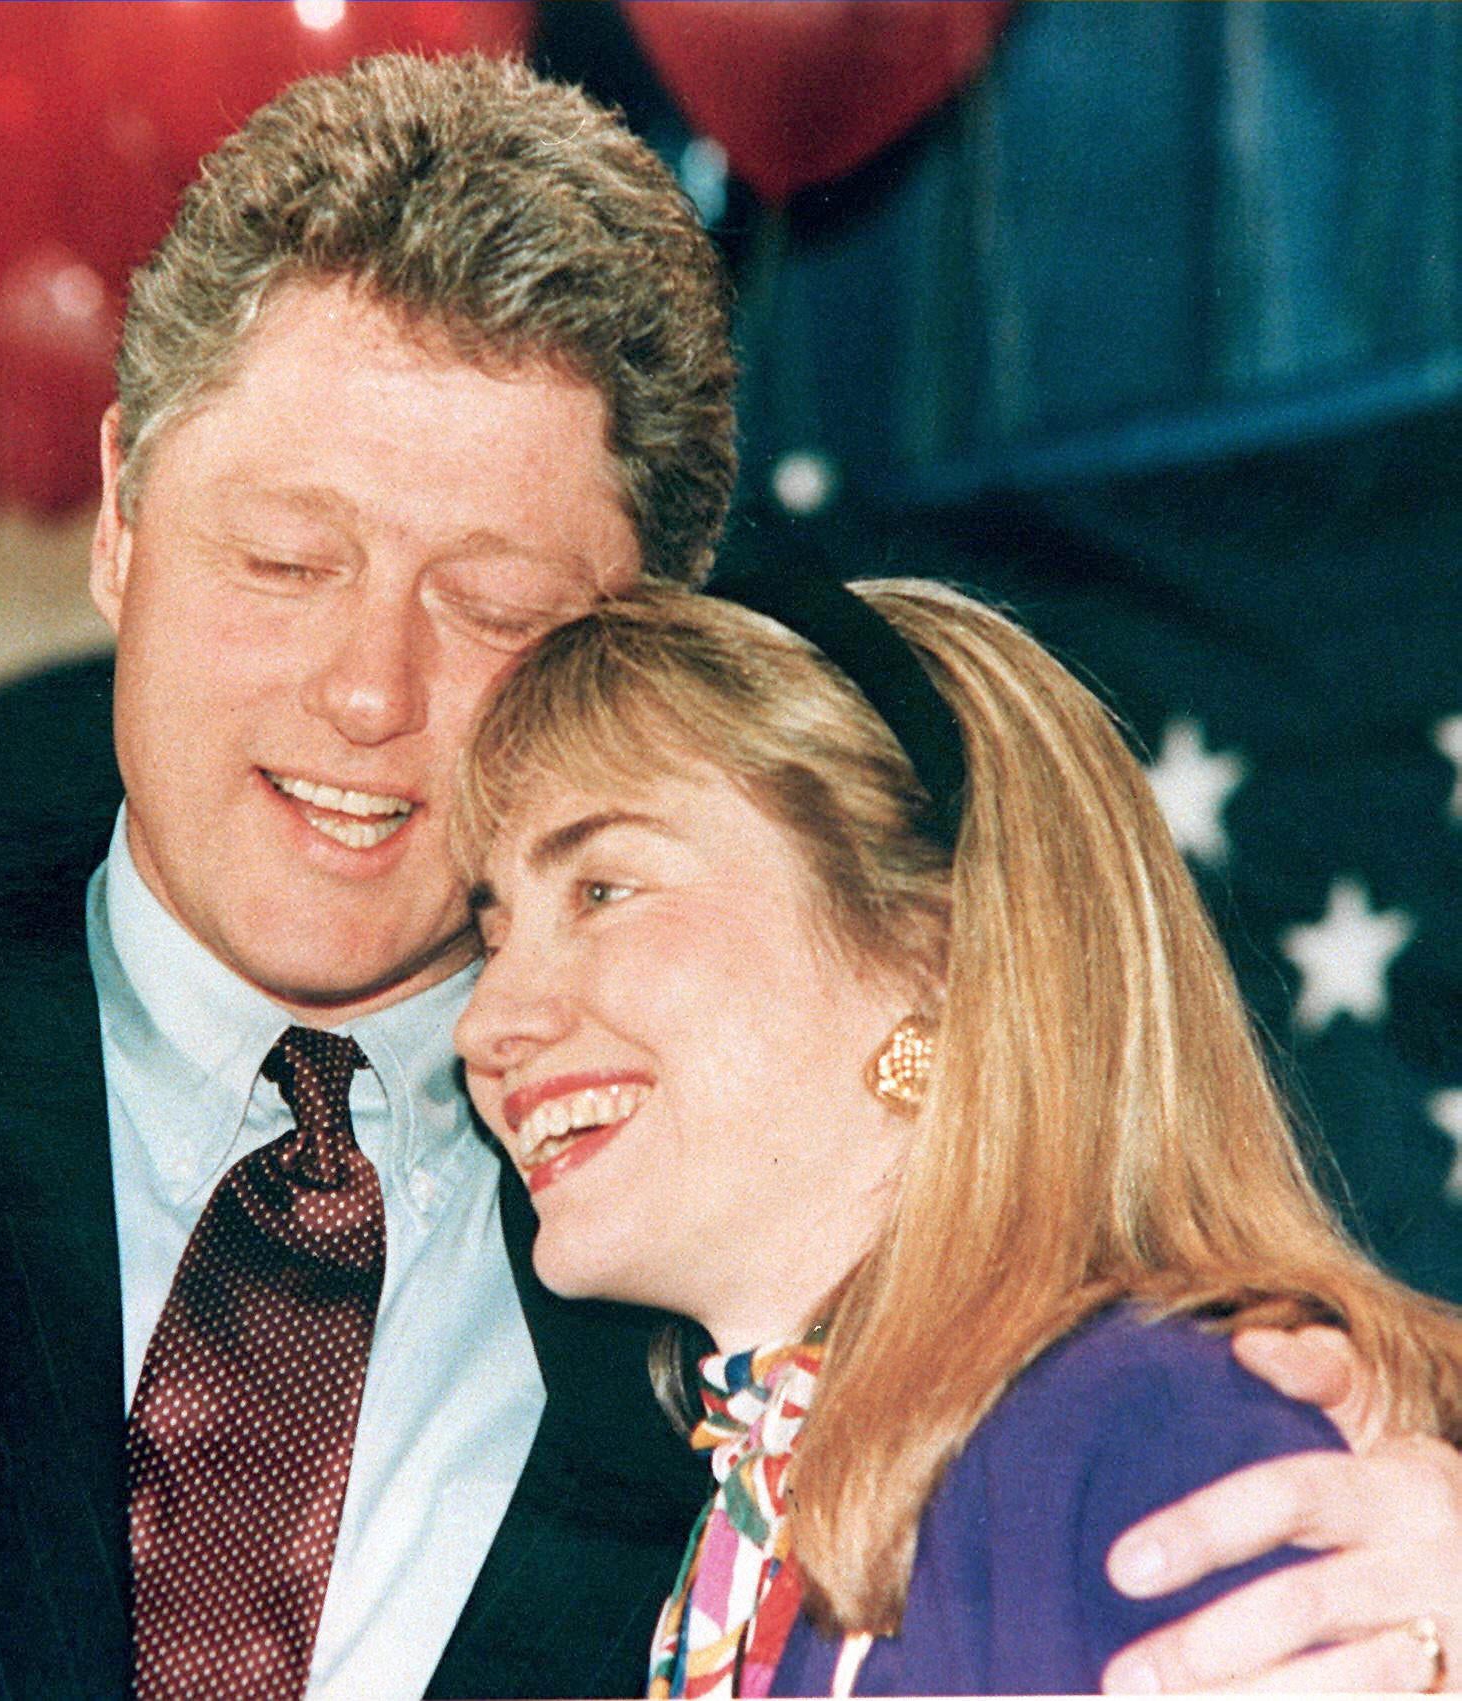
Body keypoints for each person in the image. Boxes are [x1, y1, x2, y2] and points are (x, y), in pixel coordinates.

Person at [0, 48, 1457, 1701]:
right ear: (116, 516)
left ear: (646, 658)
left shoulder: (761, 1277)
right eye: (282, 558)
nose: (368, 689)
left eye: (494, 609)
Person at [454, 576, 1462, 1696]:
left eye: (601, 889)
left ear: (936, 951)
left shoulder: (1139, 1432)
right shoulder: (764, 1522)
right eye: (491, 936)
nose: (488, 1024)